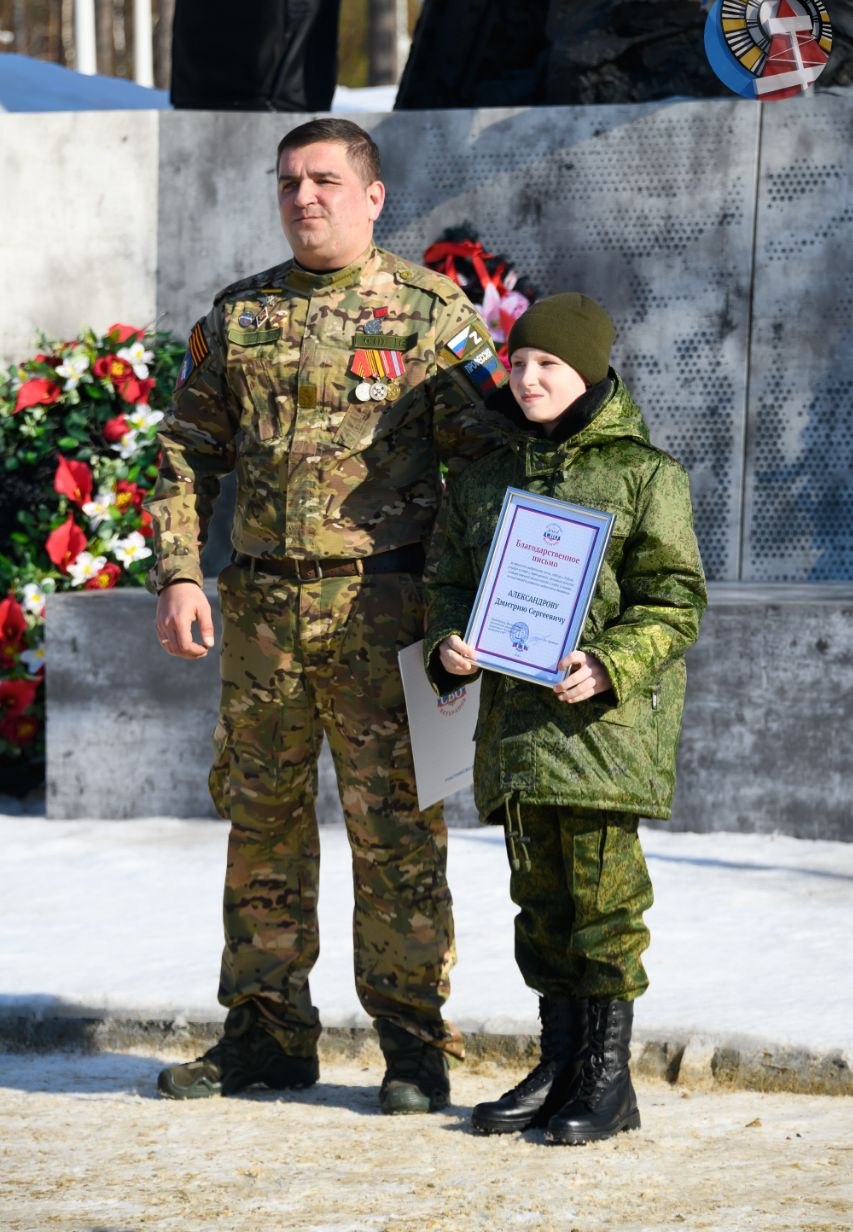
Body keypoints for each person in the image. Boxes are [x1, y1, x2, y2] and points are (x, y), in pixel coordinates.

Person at [148, 117, 509, 1113]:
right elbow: (184, 455)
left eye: (324, 180)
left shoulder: (435, 317)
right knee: (259, 824)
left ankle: (411, 1043)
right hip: (261, 610)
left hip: (386, 609)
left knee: (395, 829)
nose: (304, 196)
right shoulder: (240, 316)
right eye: (289, 181)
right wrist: (181, 572)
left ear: (373, 194)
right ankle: (266, 1033)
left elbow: (490, 468)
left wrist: (470, 609)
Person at [424, 293, 707, 1144]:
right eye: (516, 364)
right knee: (539, 904)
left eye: (547, 364)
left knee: (603, 906)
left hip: (597, 733)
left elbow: (675, 597)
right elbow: (445, 583)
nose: (526, 378)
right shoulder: (482, 480)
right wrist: (449, 642)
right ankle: (558, 1067)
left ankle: (606, 1082)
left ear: (585, 373)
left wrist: (609, 662)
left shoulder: (643, 475)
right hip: (514, 729)